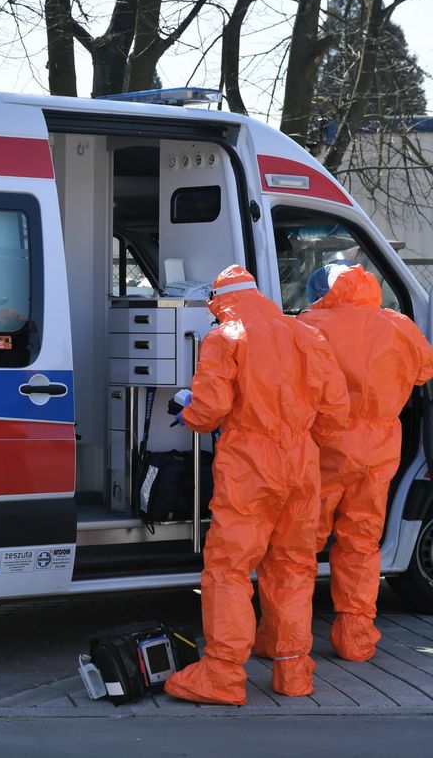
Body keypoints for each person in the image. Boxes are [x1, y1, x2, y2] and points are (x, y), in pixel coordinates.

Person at [163, 265, 349, 706]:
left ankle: (223, 675)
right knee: (293, 567)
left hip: (249, 463)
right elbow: (336, 411)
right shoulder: (306, 334)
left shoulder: (224, 336)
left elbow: (208, 410)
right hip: (301, 462)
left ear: (220, 300)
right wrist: (297, 436)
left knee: (228, 569)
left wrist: (187, 411)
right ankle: (293, 672)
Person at [291, 264, 433, 661]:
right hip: (379, 451)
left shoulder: (309, 324)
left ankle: (287, 641)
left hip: (326, 449)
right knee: (361, 543)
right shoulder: (399, 325)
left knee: (299, 548)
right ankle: (354, 640)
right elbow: (424, 371)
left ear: (323, 291)